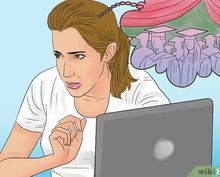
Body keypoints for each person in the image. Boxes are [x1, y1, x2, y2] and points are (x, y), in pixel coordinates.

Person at [0, 1, 170, 177]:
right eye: (58, 55)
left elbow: (168, 164)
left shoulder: (139, 90)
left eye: (78, 56)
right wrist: (57, 159)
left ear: (108, 52)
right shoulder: (45, 85)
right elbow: (4, 169)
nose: (65, 71)